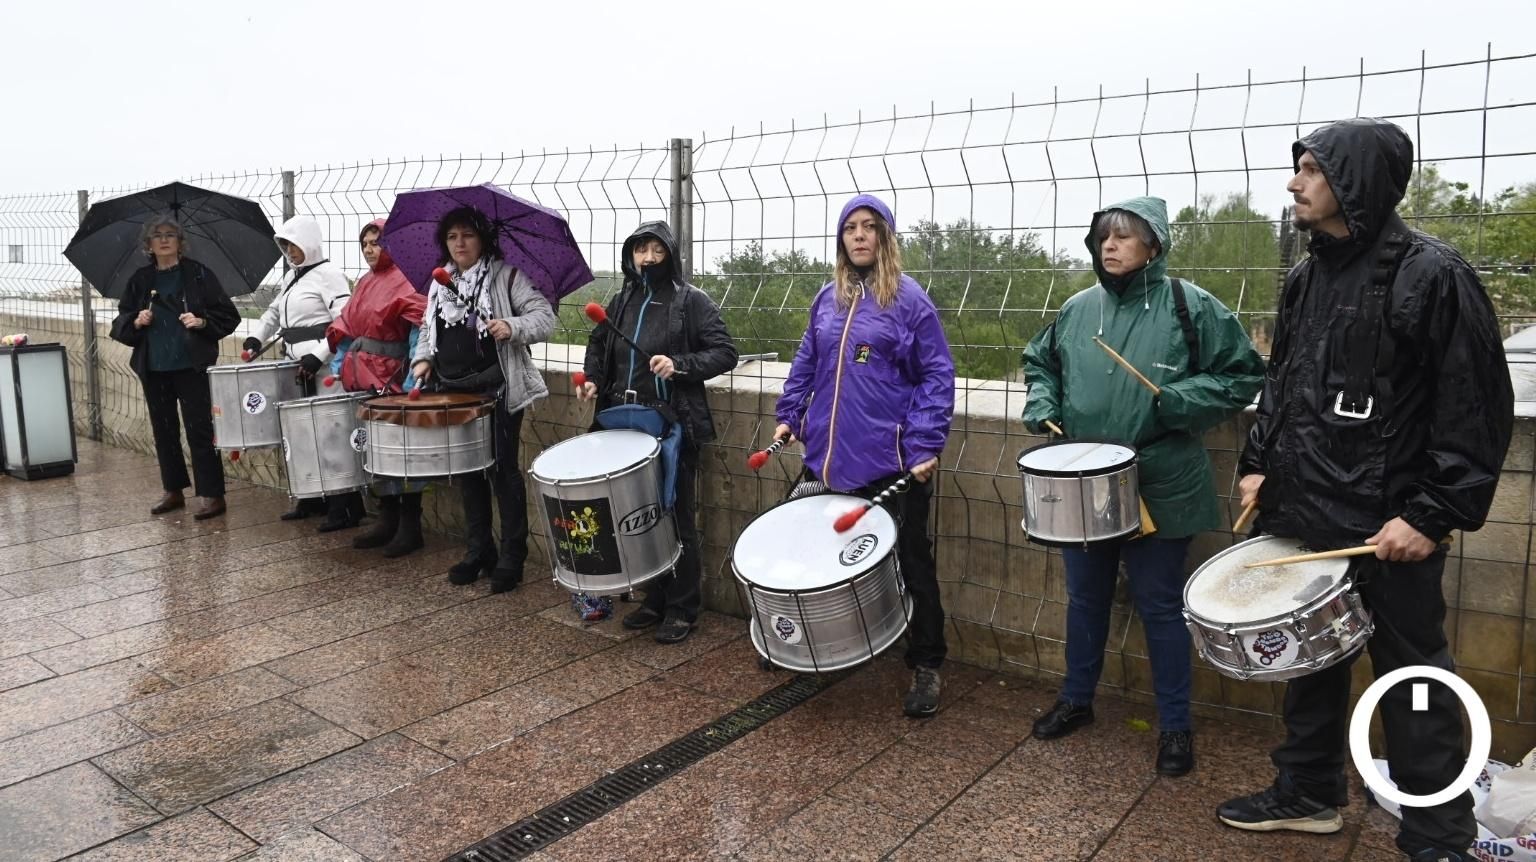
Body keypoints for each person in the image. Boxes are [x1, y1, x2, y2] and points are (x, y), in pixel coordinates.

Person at [1217, 118, 1514, 862]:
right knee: (1310, 666)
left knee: (1413, 685)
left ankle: (1439, 834)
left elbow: (1473, 408)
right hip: (1307, 513)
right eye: (1299, 168)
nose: (1295, 182)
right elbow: (1281, 387)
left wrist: (1432, 513)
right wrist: (1260, 466)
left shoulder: (1432, 274)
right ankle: (1310, 792)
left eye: (1312, 169)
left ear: (1356, 183)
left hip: (1392, 530)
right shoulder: (1305, 275)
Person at [1020, 196, 1265, 776]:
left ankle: (1176, 726)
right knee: (1084, 599)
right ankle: (1077, 699)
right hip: (1084, 477)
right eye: (1104, 234)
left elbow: (1243, 374)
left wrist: (1183, 400)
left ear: (1153, 244)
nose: (1110, 245)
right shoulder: (1077, 308)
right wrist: (1043, 400)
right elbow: (1040, 361)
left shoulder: (1191, 304)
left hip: (1162, 477)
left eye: (1125, 236)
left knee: (1159, 605)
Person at [771, 193, 954, 717]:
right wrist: (790, 413)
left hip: (891, 462)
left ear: (885, 237)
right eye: (849, 227)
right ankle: (799, 640)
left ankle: (926, 663)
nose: (858, 235)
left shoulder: (910, 302)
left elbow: (937, 376)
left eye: (869, 226)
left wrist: (924, 445)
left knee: (912, 560)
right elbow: (808, 360)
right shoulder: (826, 299)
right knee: (800, 544)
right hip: (826, 456)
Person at [577, 221, 738, 643]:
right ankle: (654, 597)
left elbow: (725, 352)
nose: (647, 258)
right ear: (630, 254)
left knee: (675, 516)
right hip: (622, 421)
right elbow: (598, 344)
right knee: (640, 516)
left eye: (656, 251)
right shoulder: (622, 298)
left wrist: (679, 364)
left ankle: (683, 606)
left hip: (671, 425)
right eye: (640, 250)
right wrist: (592, 377)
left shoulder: (691, 301)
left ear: (671, 254)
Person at [411, 206, 555, 592]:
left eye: (468, 235)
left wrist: (512, 325)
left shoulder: (506, 277)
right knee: (468, 472)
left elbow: (545, 317)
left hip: (498, 389)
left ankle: (512, 557)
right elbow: (429, 329)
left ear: (484, 239)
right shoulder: (440, 283)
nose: (459, 243)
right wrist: (423, 359)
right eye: (452, 236)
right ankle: (479, 550)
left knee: (502, 472)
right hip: (452, 390)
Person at [110, 215, 241, 520]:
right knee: (164, 430)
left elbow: (228, 315)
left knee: (199, 429)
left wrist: (202, 322)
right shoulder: (140, 280)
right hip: (154, 366)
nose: (164, 239)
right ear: (148, 245)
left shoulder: (198, 275)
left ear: (181, 243)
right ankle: (173, 491)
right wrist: (136, 321)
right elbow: (121, 322)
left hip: (190, 365)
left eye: (171, 234)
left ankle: (212, 494)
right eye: (157, 235)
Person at [243, 215, 357, 529]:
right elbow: (274, 312)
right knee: (303, 435)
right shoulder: (293, 279)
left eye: (294, 245)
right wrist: (257, 337)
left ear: (309, 243)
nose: (291, 251)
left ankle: (343, 507)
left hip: (325, 370)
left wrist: (319, 355)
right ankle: (312, 498)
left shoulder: (329, 275)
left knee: (331, 435)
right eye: (286, 246)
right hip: (298, 368)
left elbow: (343, 322)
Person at [326, 218, 428, 556]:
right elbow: (348, 326)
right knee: (377, 453)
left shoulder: (408, 281)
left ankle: (410, 526)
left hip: (396, 382)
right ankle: (387, 518)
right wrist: (340, 365)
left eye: (377, 242)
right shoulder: (365, 283)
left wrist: (415, 378)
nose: (370, 249)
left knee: (404, 454)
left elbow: (417, 332)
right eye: (365, 244)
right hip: (365, 380)